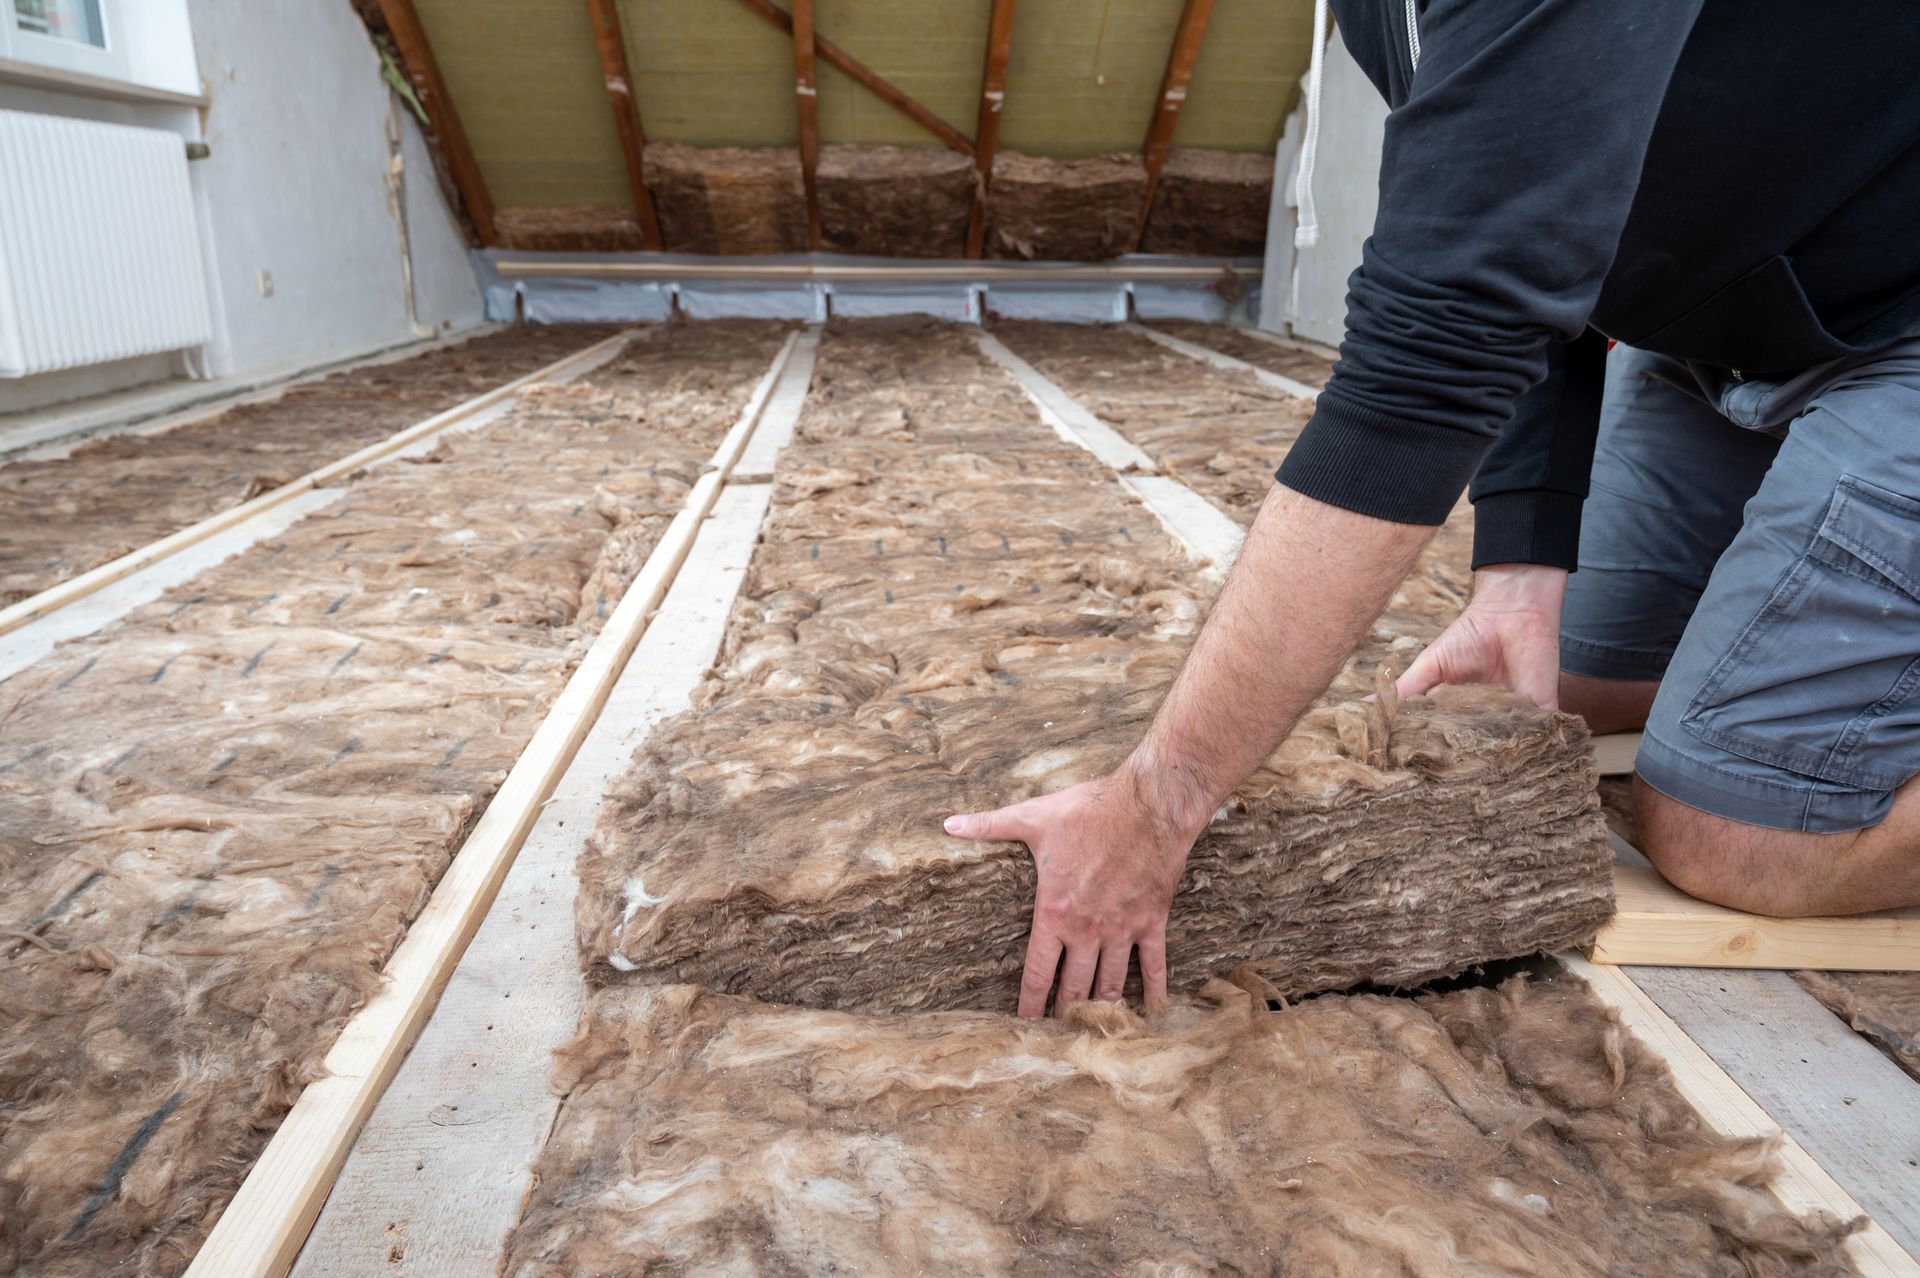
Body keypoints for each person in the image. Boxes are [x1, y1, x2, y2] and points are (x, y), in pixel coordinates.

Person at [946, 0, 1920, 1017]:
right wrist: (1517, 579)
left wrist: (1159, 802)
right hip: (1738, 336)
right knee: (1572, 687)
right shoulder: (1378, 15)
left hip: (1899, 323)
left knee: (1731, 833)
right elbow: (1527, 235)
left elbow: (1436, 358)